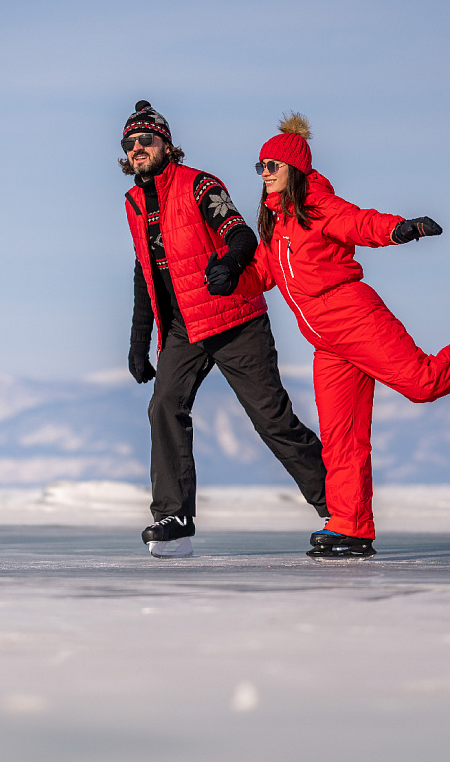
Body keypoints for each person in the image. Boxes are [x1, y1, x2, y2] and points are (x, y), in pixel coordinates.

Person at [208, 113, 450, 559]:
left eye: (271, 166)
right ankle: (350, 526)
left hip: (354, 317)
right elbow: (265, 274)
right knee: (340, 436)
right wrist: (230, 279)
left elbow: (361, 223)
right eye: (260, 168)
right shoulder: (275, 226)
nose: (264, 175)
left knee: (422, 382)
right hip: (326, 343)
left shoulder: (319, 206)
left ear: (293, 168)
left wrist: (400, 229)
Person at [118, 100, 330, 558]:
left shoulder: (199, 184)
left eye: (146, 140)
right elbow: (146, 271)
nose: (138, 148)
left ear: (166, 144)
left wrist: (231, 264)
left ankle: (338, 506)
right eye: (130, 143)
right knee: (164, 408)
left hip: (235, 319)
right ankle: (173, 519)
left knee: (272, 420)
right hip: (183, 328)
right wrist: (139, 342)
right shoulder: (135, 203)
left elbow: (240, 234)